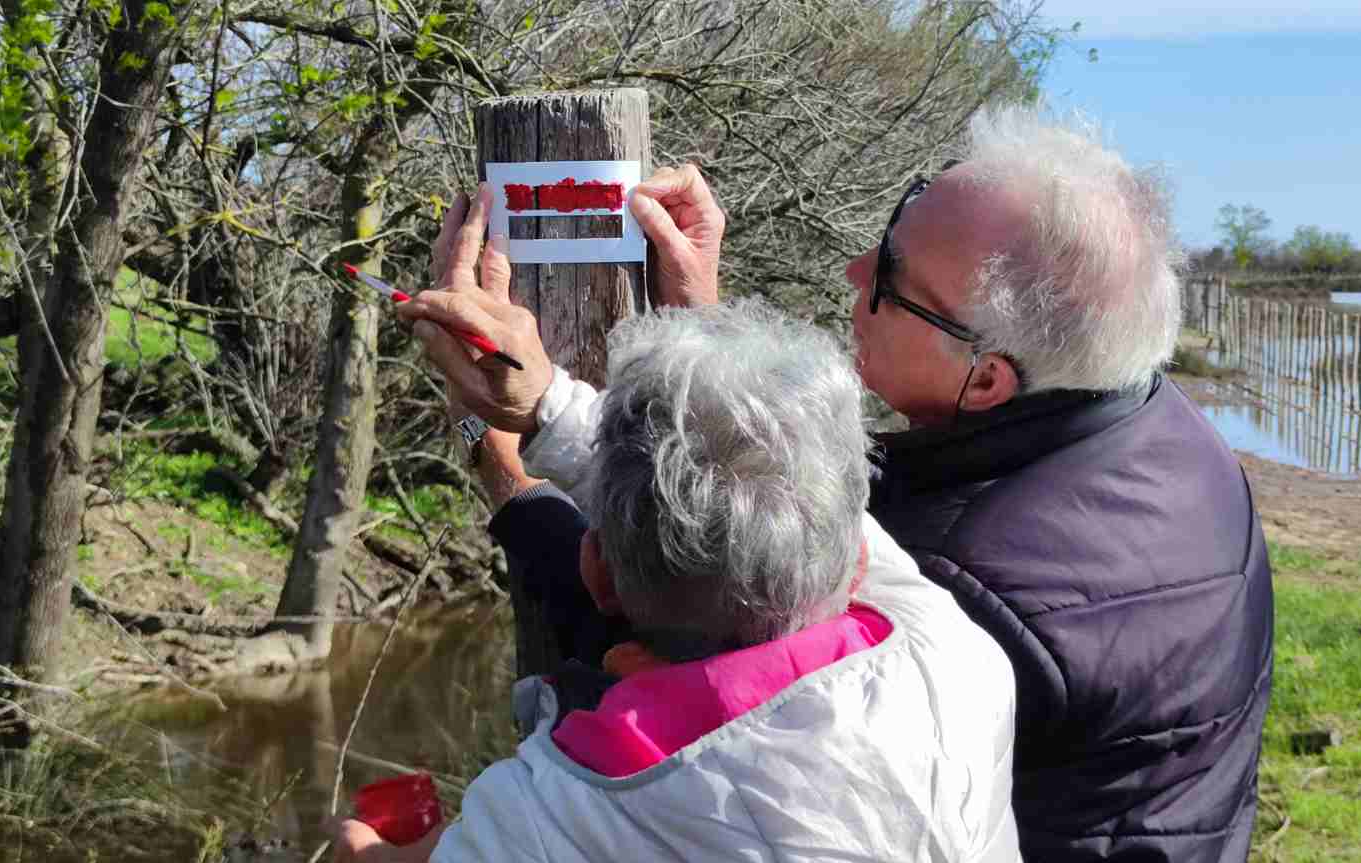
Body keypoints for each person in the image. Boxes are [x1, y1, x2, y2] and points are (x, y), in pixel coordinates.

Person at [400, 103, 1275, 862]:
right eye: (895, 224)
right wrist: (712, 352)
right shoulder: (1167, 433)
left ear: (986, 379)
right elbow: (769, 514)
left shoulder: (976, 597)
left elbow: (672, 633)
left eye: (892, 275)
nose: (856, 270)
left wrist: (508, 463)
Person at [328, 245, 1021, 861]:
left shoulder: (540, 824)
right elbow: (786, 493)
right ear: (858, 565)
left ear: (596, 571)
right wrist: (690, 346)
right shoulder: (957, 668)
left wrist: (511, 419)